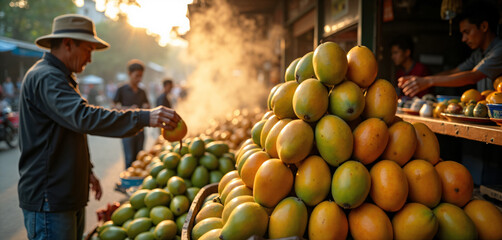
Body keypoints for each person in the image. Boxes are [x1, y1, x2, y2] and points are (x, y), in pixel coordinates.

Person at [18, 14, 180, 240]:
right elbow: (83, 117)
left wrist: (88, 169)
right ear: (67, 44)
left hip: (64, 193)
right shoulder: (46, 77)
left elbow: (68, 131)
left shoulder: (62, 77)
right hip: (50, 198)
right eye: (88, 50)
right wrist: (143, 117)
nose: (90, 59)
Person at [398, 0, 502, 97]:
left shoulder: (499, 50)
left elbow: (473, 76)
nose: (463, 39)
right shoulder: (478, 54)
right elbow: (455, 72)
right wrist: (421, 80)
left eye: (467, 32)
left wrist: (429, 81)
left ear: (484, 27)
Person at [112, 59, 151, 169]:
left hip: (140, 129)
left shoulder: (142, 91)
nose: (139, 79)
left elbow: (147, 104)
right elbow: (113, 107)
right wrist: (128, 109)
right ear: (129, 74)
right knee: (129, 159)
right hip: (127, 129)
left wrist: (146, 107)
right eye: (137, 76)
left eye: (141, 76)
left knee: (140, 158)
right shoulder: (121, 89)